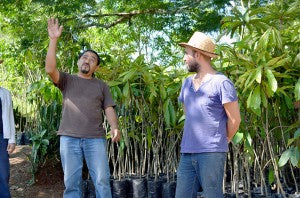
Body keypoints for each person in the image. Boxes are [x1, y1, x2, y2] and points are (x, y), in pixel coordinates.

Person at [45, 18, 121, 198]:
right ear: (79, 62)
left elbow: (109, 108)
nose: (88, 60)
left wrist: (115, 127)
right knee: (71, 184)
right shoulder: (67, 80)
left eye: (93, 59)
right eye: (85, 57)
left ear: (96, 66)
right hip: (69, 138)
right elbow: (50, 69)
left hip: (95, 139)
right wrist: (53, 40)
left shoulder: (101, 85)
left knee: (102, 181)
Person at [175, 32, 241, 198]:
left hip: (211, 153)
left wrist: (221, 140)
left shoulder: (222, 82)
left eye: (187, 54)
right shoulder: (186, 83)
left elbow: (234, 119)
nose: (184, 58)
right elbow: (188, 113)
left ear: (197, 54)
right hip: (187, 151)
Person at [0, 84, 16, 198]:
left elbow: (10, 116)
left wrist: (12, 139)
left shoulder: (5, 93)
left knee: (3, 173)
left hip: (2, 138)